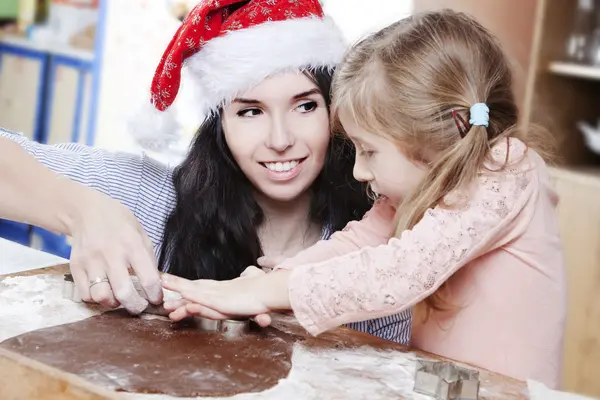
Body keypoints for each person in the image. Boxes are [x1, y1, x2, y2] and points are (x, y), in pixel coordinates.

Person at [160, 9, 567, 388]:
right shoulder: (418, 188)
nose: (358, 171)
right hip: (439, 388)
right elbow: (354, 244)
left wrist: (264, 294)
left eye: (368, 151)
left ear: (424, 136)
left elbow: (400, 272)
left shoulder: (508, 169)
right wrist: (265, 282)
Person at [0, 0, 411, 343]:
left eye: (305, 106)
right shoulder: (151, 198)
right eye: (251, 111)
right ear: (220, 125)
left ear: (334, 112)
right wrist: (80, 210)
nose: (280, 138)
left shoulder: (382, 254)